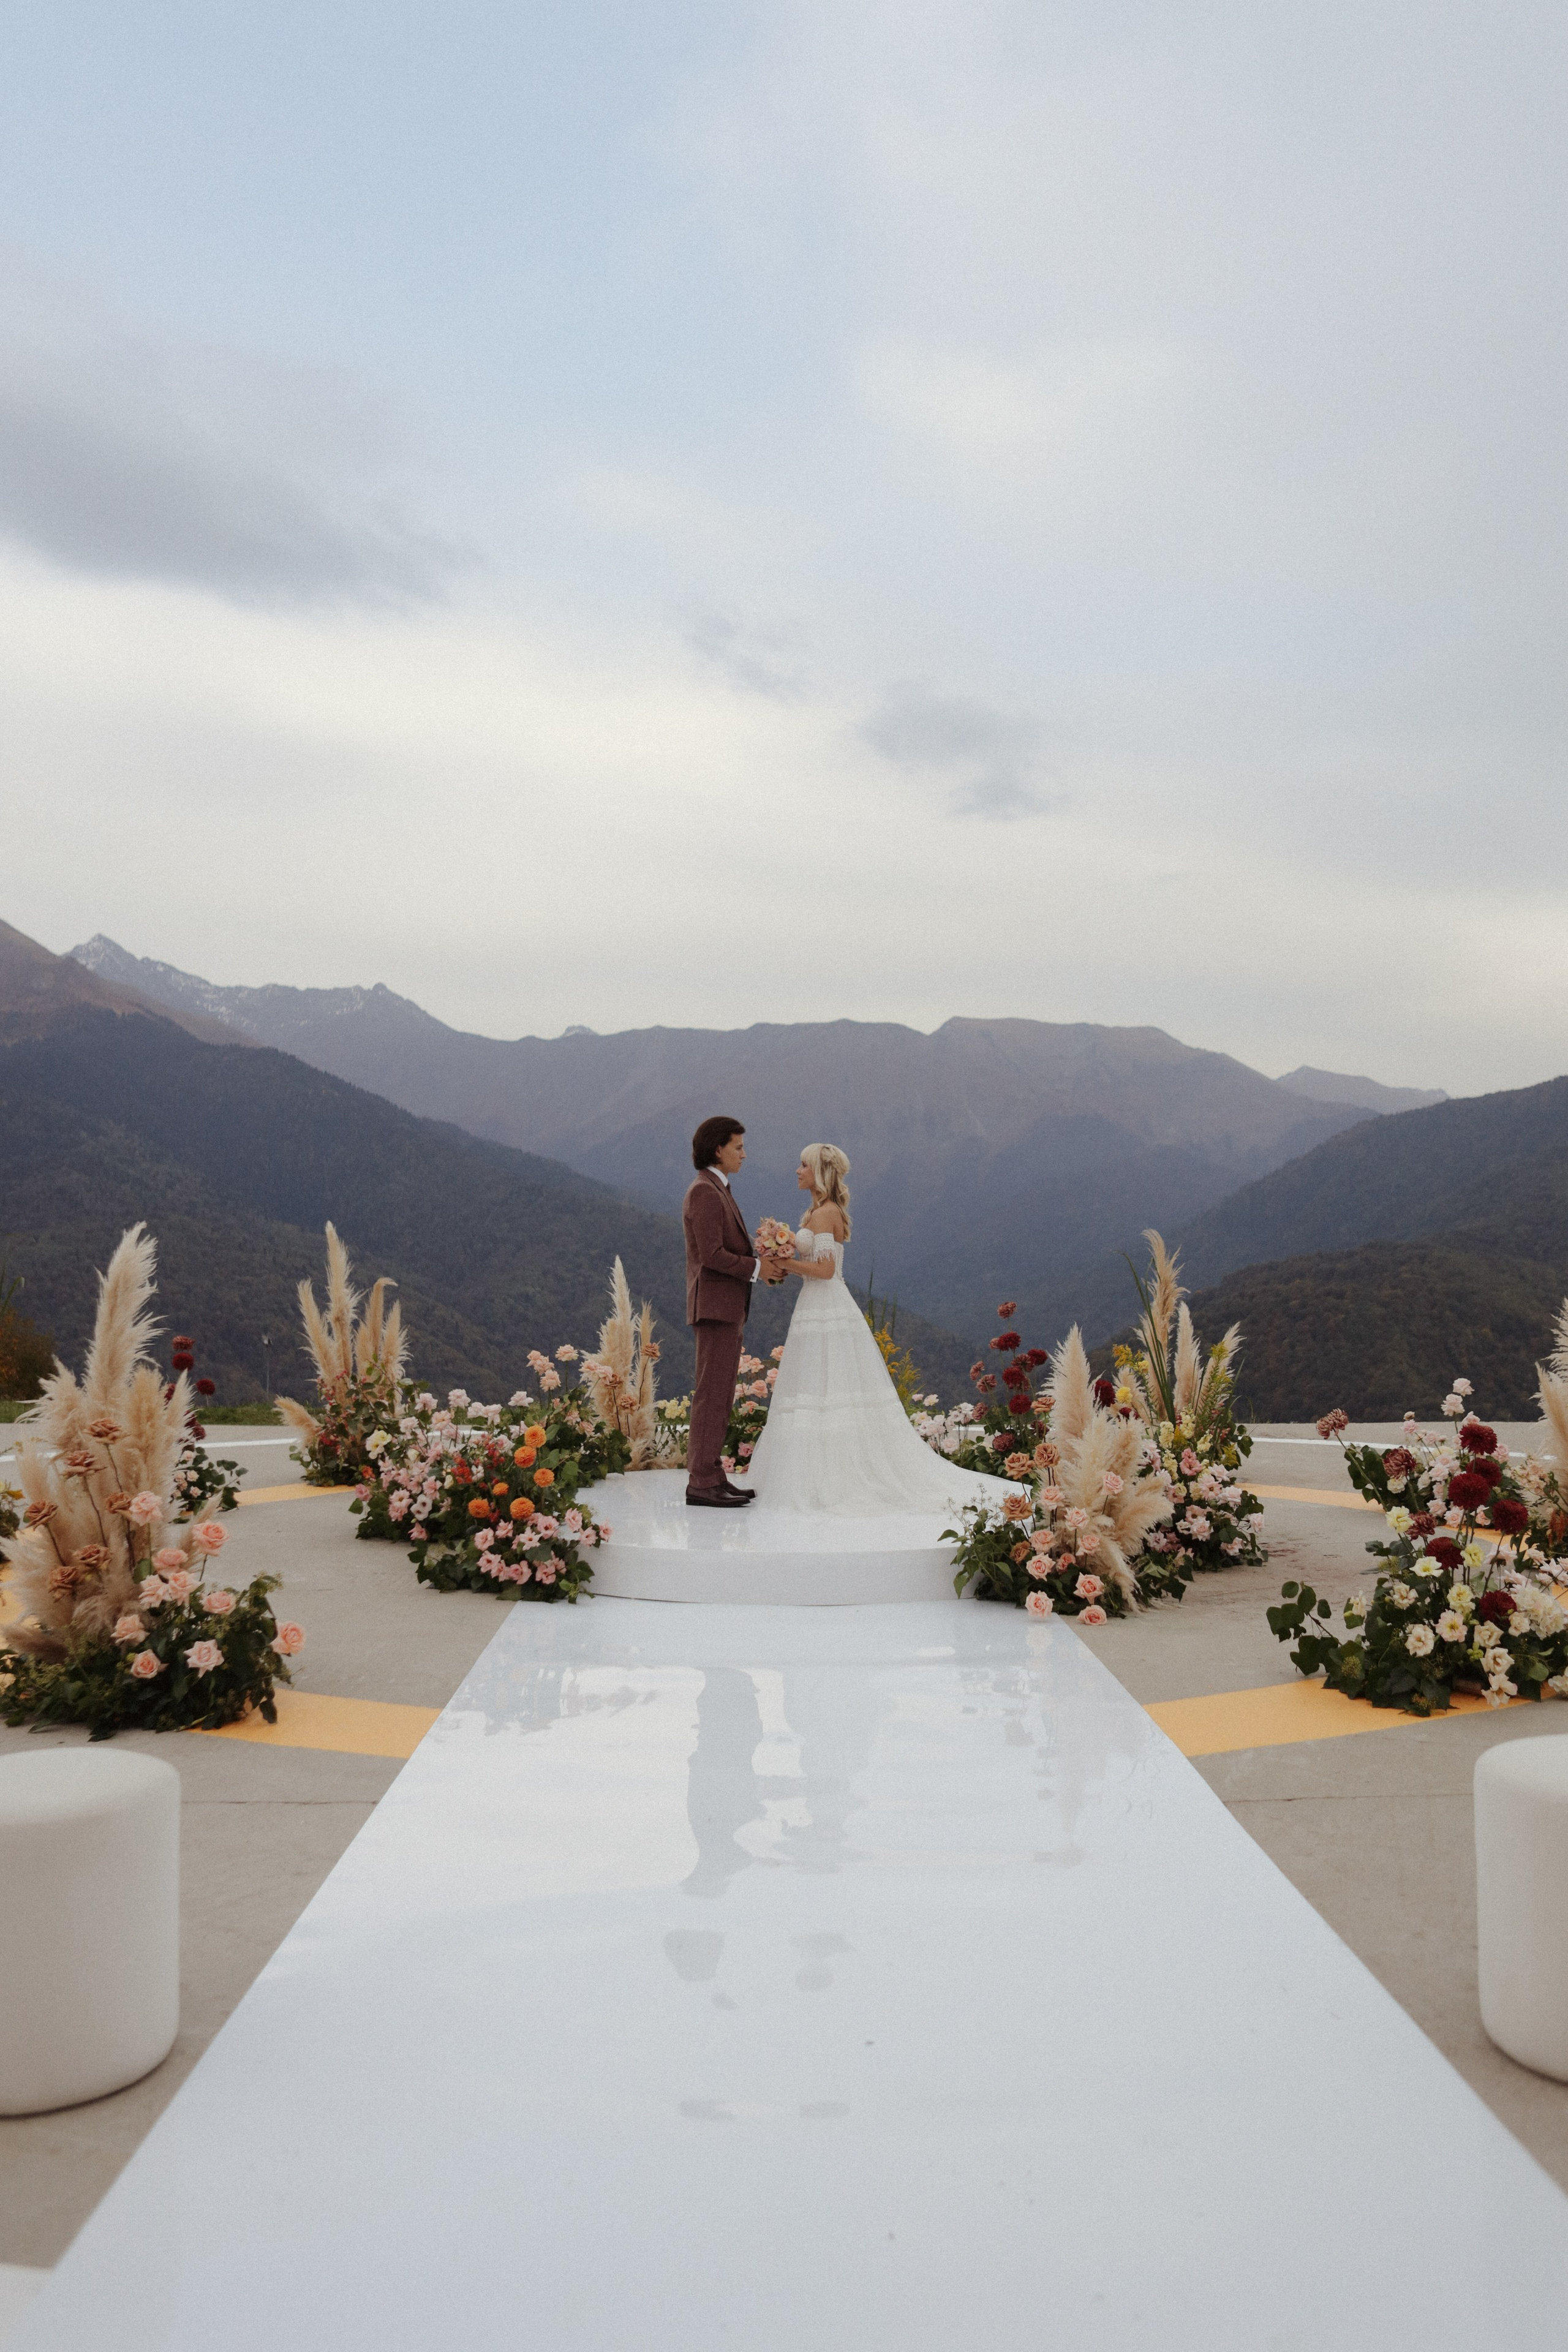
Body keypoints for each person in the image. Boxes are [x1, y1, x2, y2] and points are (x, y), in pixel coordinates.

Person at [745, 1142, 1014, 1517]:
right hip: (816, 1307)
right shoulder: (817, 1212)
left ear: (819, 1172)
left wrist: (783, 1262)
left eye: (803, 1165)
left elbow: (824, 1271)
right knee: (821, 1386)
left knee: (828, 1387)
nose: (797, 1171)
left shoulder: (825, 1214)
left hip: (826, 1305)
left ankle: (828, 1478)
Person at [682, 1116, 786, 1508]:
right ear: (717, 1149)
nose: (744, 1154)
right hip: (715, 1308)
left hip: (724, 1306)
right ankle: (701, 1483)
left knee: (720, 1393)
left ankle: (710, 1475)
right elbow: (711, 1256)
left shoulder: (716, 1188)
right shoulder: (705, 1192)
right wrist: (758, 1268)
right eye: (738, 1147)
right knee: (712, 1394)